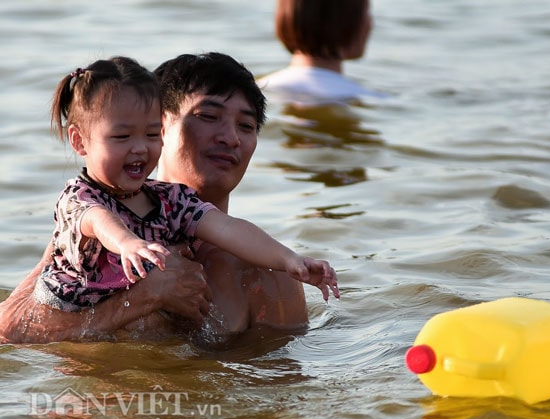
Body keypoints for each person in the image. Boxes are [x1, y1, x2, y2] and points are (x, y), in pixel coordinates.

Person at [0, 52, 325, 344]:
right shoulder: (95, 223)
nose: (230, 138)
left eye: (247, 125)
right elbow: (9, 329)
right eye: (208, 117)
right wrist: (146, 297)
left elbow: (281, 383)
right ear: (161, 123)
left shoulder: (266, 268)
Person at [257, 0, 383, 104]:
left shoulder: (258, 90)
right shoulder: (367, 98)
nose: (371, 22)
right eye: (367, 11)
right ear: (351, 20)